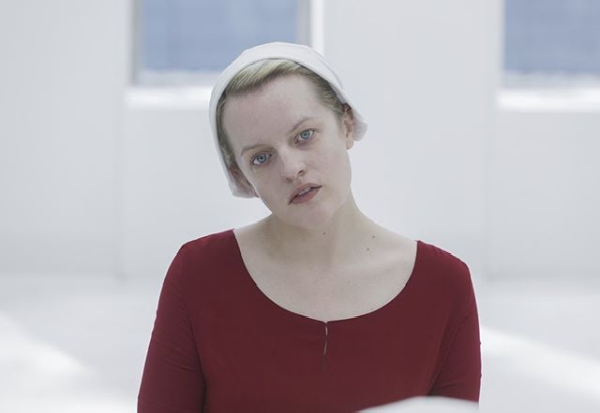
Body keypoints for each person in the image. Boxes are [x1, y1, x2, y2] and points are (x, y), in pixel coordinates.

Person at [137, 42, 482, 412]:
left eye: (304, 135)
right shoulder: (200, 275)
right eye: (262, 157)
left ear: (346, 125)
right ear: (241, 176)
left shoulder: (443, 285)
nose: (291, 169)